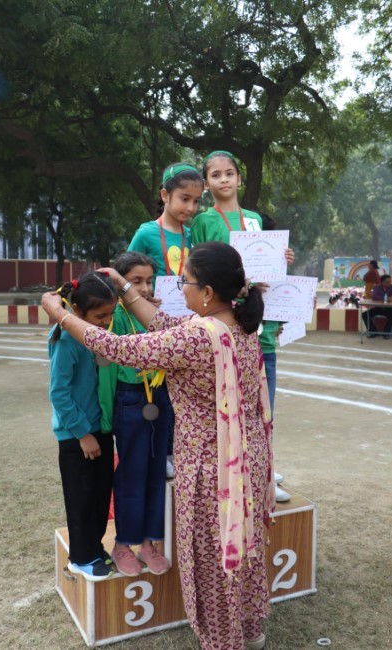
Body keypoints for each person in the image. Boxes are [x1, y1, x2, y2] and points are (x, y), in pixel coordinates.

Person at [42, 241, 275, 650]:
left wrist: (62, 316)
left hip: (211, 472)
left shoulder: (197, 337)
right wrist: (125, 289)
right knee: (243, 548)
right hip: (247, 460)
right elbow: (166, 326)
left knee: (212, 565)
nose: (180, 289)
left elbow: (118, 348)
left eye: (186, 282)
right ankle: (250, 628)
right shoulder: (238, 322)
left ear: (207, 292)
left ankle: (224, 642)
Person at [191, 151, 293, 502]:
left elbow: (269, 275)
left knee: (264, 409)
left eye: (229, 173)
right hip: (223, 325)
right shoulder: (204, 220)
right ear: (207, 184)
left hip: (258, 325)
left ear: (239, 178)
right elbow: (199, 268)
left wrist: (281, 258)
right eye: (216, 175)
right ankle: (234, 473)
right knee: (228, 409)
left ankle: (266, 473)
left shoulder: (254, 219)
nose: (224, 179)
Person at [99, 251, 173, 577]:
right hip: (130, 400)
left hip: (160, 397)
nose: (144, 288)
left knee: (156, 473)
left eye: (148, 280)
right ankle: (122, 544)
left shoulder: (155, 314)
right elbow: (105, 372)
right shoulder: (114, 316)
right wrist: (105, 419)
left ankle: (147, 542)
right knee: (131, 474)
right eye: (135, 281)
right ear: (120, 283)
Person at [128, 162, 204, 478]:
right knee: (157, 394)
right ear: (165, 195)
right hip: (152, 327)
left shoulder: (193, 235)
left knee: (181, 392)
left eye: (196, 201)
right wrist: (143, 294)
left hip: (184, 327)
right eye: (184, 199)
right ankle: (161, 453)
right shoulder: (146, 233)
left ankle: (176, 451)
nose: (191, 207)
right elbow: (126, 272)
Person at [48, 272, 118, 582]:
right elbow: (59, 393)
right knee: (81, 498)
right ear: (77, 311)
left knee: (100, 496)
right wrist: (82, 434)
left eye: (110, 314)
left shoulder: (95, 336)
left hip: (99, 429)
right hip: (77, 437)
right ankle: (80, 557)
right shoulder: (66, 340)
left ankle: (94, 547)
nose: (106, 322)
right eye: (100, 316)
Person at [362, 274, 392, 338]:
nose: (389, 283)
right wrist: (386, 298)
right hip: (378, 308)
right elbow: (374, 297)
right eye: (387, 282)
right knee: (364, 314)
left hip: (389, 308)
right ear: (382, 282)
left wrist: (382, 298)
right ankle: (373, 331)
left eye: (390, 282)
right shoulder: (377, 288)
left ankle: (386, 333)